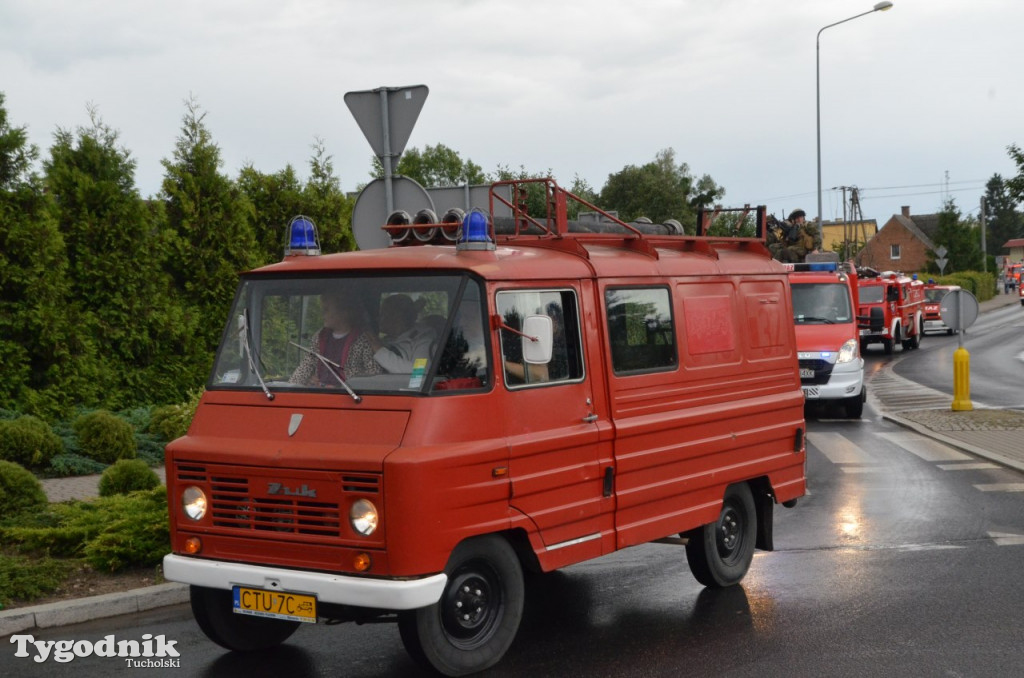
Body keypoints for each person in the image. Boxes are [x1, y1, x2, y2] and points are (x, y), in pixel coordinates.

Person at [290, 293, 382, 386]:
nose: (322, 314)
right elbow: (307, 365)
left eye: (326, 310)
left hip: (349, 395)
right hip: (319, 393)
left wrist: (349, 384)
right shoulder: (320, 336)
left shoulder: (363, 338)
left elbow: (374, 373)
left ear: (344, 312)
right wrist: (292, 387)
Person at [368, 294, 437, 373]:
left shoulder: (423, 341)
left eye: (383, 313)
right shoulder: (387, 340)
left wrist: (380, 352)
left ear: (397, 317)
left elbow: (418, 373)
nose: (378, 318)